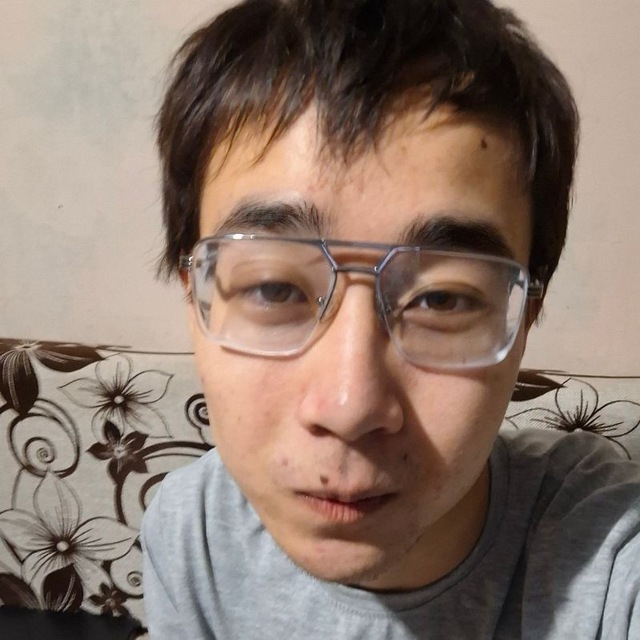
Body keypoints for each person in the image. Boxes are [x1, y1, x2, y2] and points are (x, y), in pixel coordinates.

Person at [140, 0, 640, 638]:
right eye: (273, 287)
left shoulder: (607, 566)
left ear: (523, 323)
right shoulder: (193, 535)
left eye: (441, 299)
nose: (350, 407)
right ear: (194, 298)